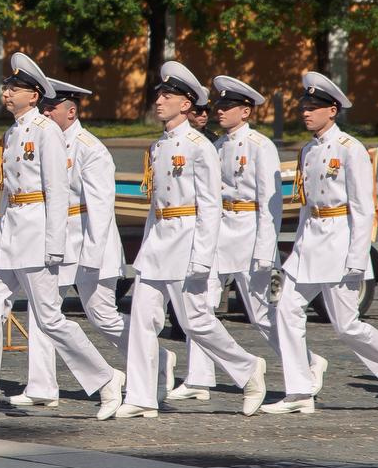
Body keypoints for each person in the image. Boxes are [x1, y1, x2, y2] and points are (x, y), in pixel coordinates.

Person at [117, 63, 266, 420]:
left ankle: (247, 369)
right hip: (159, 240)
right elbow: (157, 202)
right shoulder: (159, 144)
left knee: (196, 321)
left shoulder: (200, 146)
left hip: (186, 240)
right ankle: (141, 396)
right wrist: (146, 245)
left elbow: (211, 206)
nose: (159, 101)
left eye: (167, 96)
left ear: (186, 105)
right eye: (158, 95)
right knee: (141, 318)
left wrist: (202, 258)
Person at [0, 55, 113, 423]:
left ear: (34, 96)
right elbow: (10, 190)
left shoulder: (47, 131)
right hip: (11, 231)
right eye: (7, 87)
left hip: (37, 233)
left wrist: (55, 244)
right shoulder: (14, 132)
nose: (6, 93)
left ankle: (106, 379)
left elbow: (57, 191)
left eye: (14, 89)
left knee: (49, 319)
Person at [172, 76, 321, 414]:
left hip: (249, 233)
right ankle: (198, 378)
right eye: (218, 105)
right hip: (220, 232)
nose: (218, 111)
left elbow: (271, 204)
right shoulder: (218, 145)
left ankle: (309, 363)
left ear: (246, 110)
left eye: (227, 106)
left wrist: (265, 249)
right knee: (200, 303)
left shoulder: (259, 145)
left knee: (263, 314)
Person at [265, 71, 378, 414]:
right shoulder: (309, 151)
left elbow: (363, 208)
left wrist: (358, 259)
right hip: (310, 243)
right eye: (304, 106)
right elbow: (307, 206)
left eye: (314, 107)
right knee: (285, 308)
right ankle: (299, 390)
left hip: (339, 242)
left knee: (346, 325)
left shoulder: (350, 150)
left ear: (332, 110)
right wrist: (296, 248)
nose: (305, 112)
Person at [19, 79, 155, 406]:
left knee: (102, 315)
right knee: (44, 309)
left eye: (51, 108)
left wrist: (93, 255)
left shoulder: (89, 148)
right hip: (60, 240)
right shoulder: (45, 142)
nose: (45, 113)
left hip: (89, 241)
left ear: (71, 111)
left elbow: (100, 207)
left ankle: (157, 359)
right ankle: (42, 386)